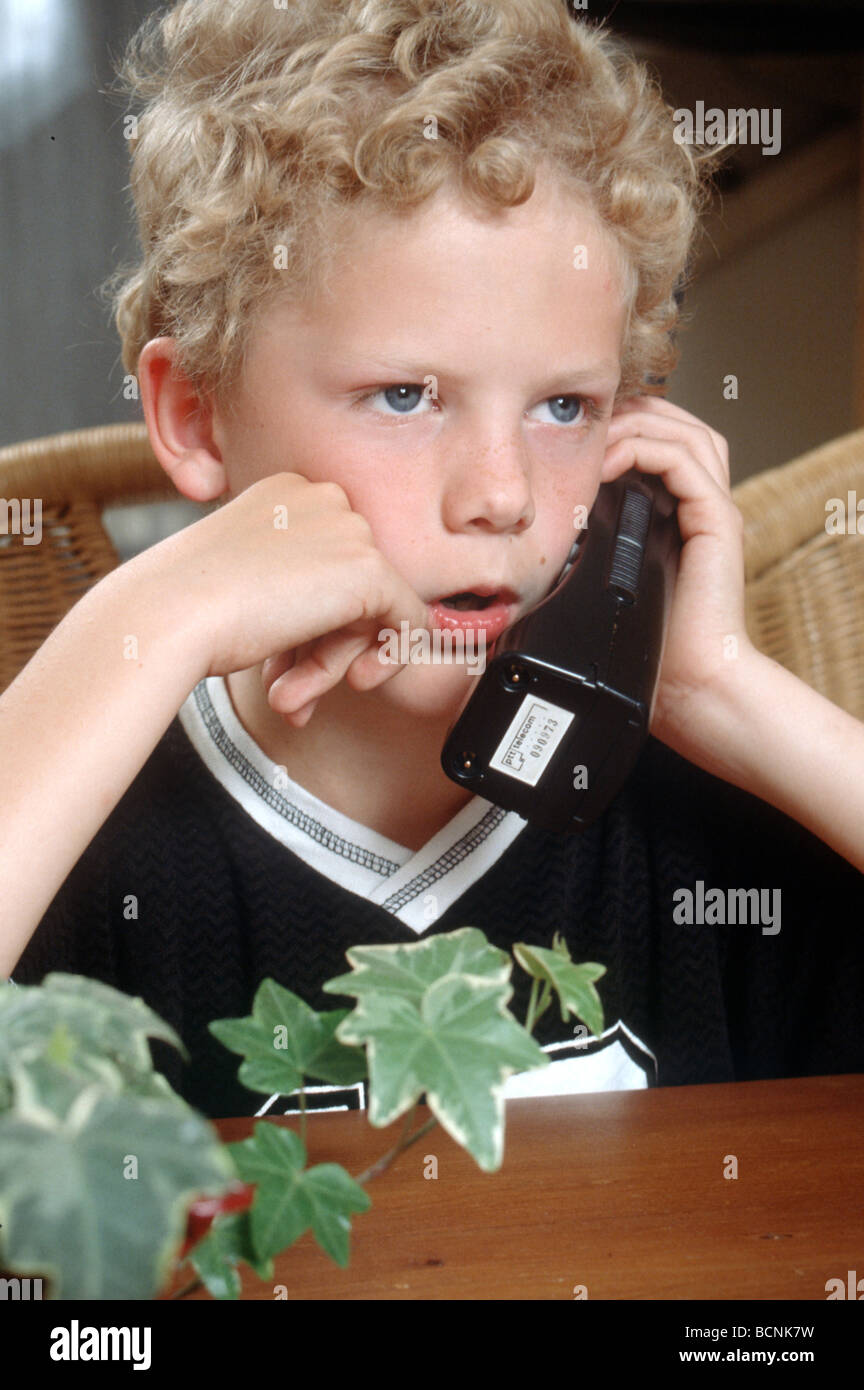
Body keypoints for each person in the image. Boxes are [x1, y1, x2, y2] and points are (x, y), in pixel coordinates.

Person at [3, 0, 863, 1120]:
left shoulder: (715, 836)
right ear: (197, 416)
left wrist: (728, 694)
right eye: (404, 396)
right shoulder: (76, 834)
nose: (501, 494)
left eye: (566, 406)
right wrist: (148, 622)